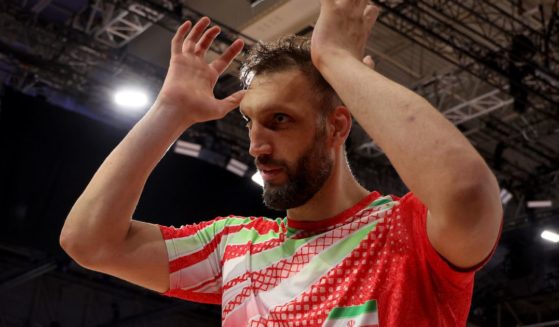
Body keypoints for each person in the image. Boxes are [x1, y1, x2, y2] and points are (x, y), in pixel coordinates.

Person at [60, 0, 503, 325]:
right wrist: (168, 112)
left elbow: (468, 196)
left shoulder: (406, 232)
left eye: (279, 121)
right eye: (250, 122)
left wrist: (337, 60)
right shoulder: (236, 245)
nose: (256, 145)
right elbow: (90, 243)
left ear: (336, 126)